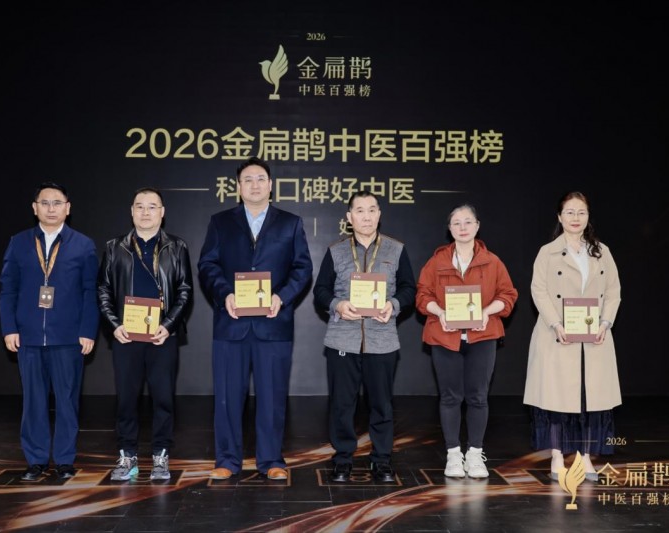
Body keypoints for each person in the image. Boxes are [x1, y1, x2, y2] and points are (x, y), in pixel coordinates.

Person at [197, 156, 312, 481]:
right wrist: (224, 294)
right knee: (227, 398)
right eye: (247, 179)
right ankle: (227, 460)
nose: (254, 184)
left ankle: (272, 460)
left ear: (270, 185)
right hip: (231, 323)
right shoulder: (220, 222)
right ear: (238, 187)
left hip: (273, 324)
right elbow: (207, 265)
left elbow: (302, 268)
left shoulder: (290, 223)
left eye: (260, 178)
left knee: (272, 397)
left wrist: (282, 297)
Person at [313, 191, 416, 483]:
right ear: (349, 217)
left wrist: (393, 305)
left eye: (372, 210)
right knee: (342, 404)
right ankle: (343, 458)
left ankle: (381, 459)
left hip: (382, 339)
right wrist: (338, 305)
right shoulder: (336, 250)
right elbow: (320, 291)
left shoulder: (396, 249)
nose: (366, 216)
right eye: (360, 211)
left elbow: (409, 288)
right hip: (342, 339)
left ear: (379, 215)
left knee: (381, 404)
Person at [0, 182, 99, 481]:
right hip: (28, 337)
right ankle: (36, 460)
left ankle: (65, 460)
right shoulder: (19, 242)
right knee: (33, 402)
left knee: (67, 401)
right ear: (35, 208)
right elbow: (7, 289)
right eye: (45, 203)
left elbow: (90, 291)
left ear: (68, 208)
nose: (51, 208)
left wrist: (88, 330)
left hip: (68, 338)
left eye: (57, 203)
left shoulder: (83, 245)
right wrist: (9, 328)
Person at [523, 191, 621, 482]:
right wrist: (556, 323)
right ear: (559, 216)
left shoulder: (602, 251)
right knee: (556, 400)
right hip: (557, 335)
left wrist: (605, 322)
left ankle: (585, 456)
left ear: (588, 217)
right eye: (570, 212)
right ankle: (556, 456)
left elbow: (613, 291)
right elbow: (538, 290)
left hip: (594, 337)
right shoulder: (547, 252)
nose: (575, 218)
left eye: (581, 212)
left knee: (589, 400)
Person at [416, 204, 518, 479]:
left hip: (482, 337)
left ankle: (474, 454)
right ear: (449, 229)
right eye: (456, 223)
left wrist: (487, 312)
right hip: (444, 336)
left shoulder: (492, 261)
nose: (462, 227)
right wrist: (440, 312)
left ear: (477, 226)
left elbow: (508, 295)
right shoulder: (436, 261)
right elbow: (422, 296)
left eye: (468, 222)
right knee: (450, 397)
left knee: (478, 397)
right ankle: (453, 454)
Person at [97, 187, 192, 481]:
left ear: (162, 212)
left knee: (163, 399)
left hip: (162, 336)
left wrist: (169, 325)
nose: (146, 212)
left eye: (152, 207)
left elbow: (185, 291)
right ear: (131, 211)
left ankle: (161, 455)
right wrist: (115, 324)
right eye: (140, 206)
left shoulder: (177, 246)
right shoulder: (114, 247)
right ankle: (127, 456)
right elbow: (103, 290)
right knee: (126, 399)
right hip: (127, 335)